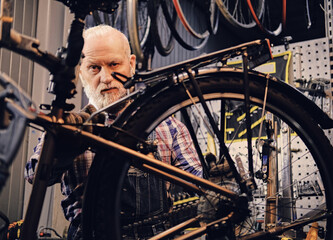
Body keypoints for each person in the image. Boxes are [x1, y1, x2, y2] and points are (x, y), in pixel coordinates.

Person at [25, 25, 202, 239]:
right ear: (81, 73)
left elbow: (198, 182)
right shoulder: (70, 127)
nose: (106, 77)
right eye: (94, 68)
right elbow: (34, 175)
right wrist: (61, 152)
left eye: (113, 64)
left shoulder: (168, 127)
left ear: (131, 65)